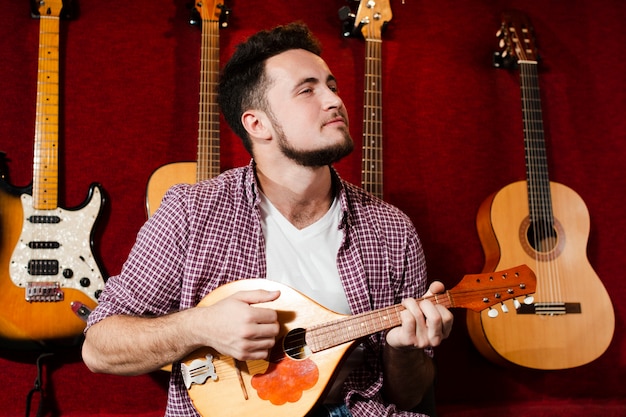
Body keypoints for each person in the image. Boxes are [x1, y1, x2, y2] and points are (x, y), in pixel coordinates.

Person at [82, 22, 454, 417]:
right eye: (307, 90)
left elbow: (410, 395)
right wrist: (199, 327)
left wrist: (404, 349)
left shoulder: (392, 230)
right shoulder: (191, 211)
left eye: (332, 85)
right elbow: (99, 347)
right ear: (257, 124)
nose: (334, 100)